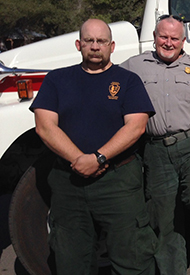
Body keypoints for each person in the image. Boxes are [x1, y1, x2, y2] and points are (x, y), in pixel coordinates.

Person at [30, 19, 158, 274]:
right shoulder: (57, 79)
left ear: (112, 46)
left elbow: (136, 126)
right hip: (69, 183)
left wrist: (98, 158)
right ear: (79, 44)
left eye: (101, 41)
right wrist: (80, 159)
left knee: (132, 256)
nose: (95, 46)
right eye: (89, 40)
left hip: (118, 182)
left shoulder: (128, 81)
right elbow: (44, 127)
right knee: (70, 259)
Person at [120, 14, 190, 275]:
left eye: (174, 38)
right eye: (163, 37)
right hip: (155, 151)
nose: (168, 42)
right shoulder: (134, 66)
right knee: (164, 224)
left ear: (183, 40)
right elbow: (106, 82)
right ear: (154, 38)